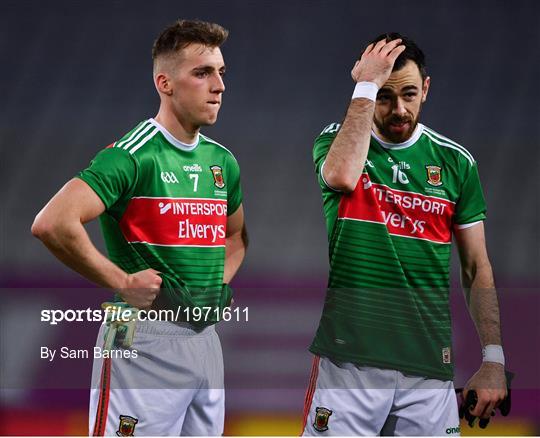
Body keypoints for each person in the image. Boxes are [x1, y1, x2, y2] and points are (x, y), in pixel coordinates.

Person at [31, 19, 247, 436]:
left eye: (221, 72)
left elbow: (236, 236)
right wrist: (122, 280)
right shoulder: (133, 155)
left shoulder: (222, 161)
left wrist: (208, 291)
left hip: (205, 338)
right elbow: (52, 223)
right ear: (165, 83)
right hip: (141, 334)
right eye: (202, 73)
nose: (218, 85)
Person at [302, 33, 507, 436]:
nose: (399, 109)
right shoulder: (337, 141)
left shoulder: (454, 163)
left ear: (426, 89)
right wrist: (365, 86)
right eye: (384, 96)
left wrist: (494, 359)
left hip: (429, 369)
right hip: (350, 365)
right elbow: (342, 176)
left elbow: (475, 266)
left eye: (410, 94)